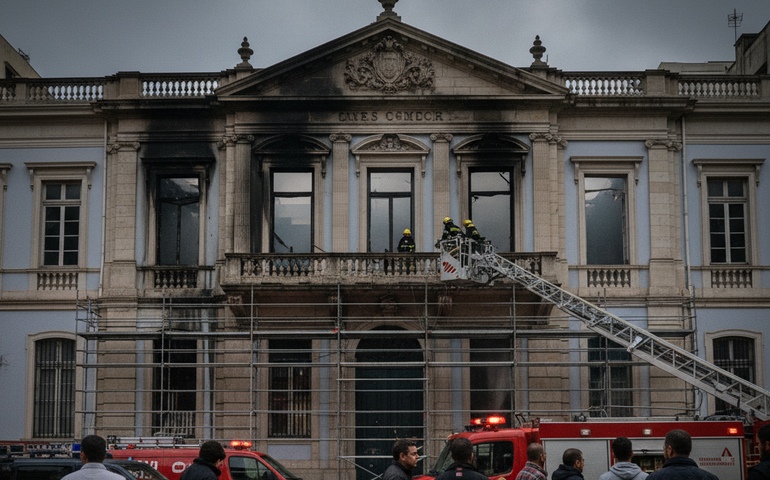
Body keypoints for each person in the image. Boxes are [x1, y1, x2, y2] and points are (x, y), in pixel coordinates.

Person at [647, 430, 717, 480]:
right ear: (689, 450)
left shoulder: (654, 478)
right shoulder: (710, 478)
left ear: (670, 450)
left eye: (664, 449)